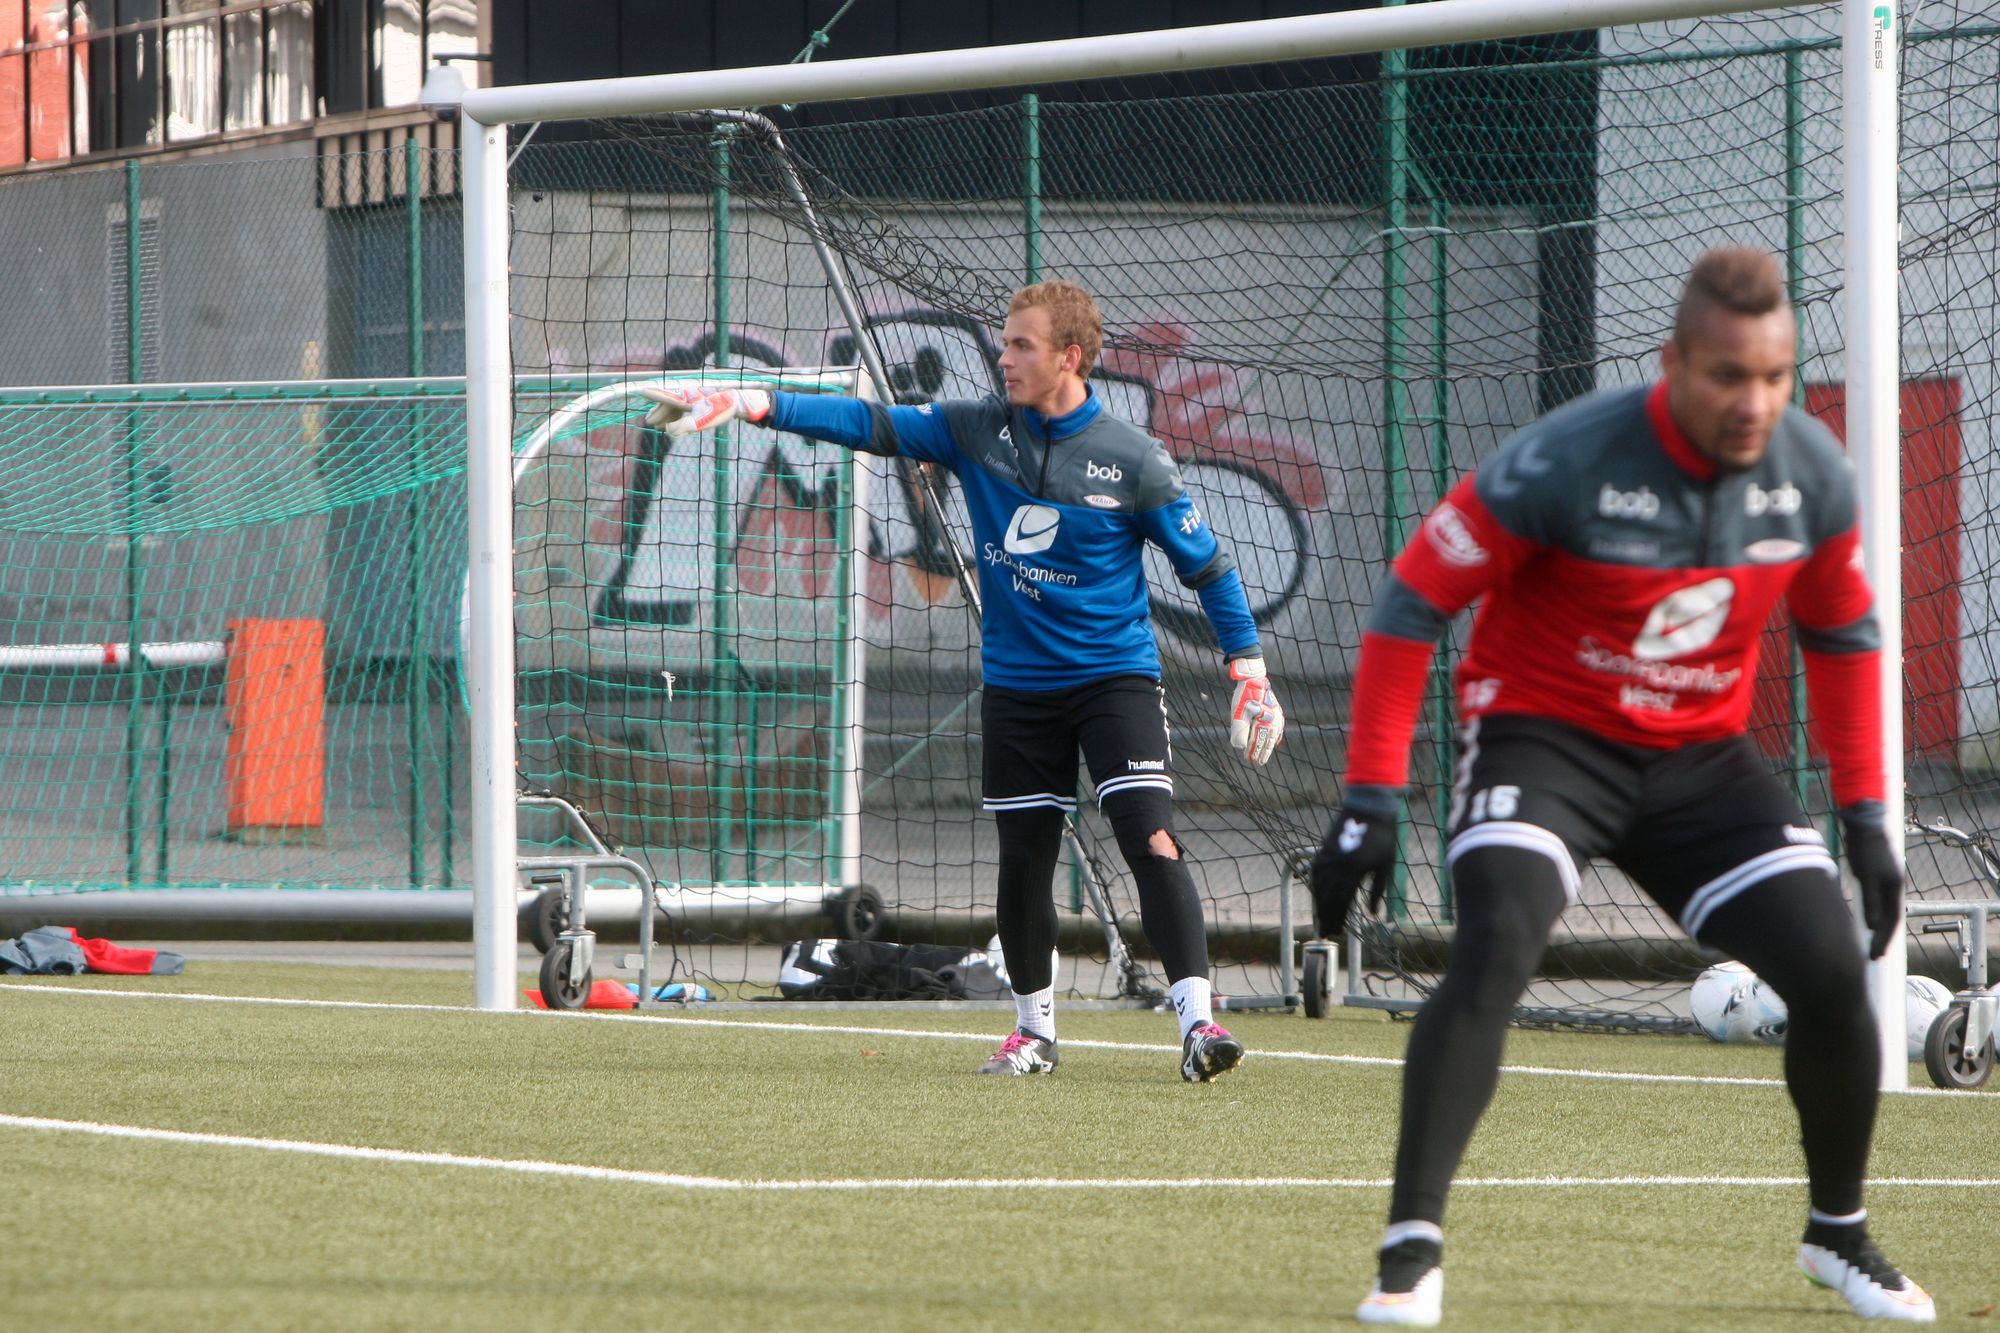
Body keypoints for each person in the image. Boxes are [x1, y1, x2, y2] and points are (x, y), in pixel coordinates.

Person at [1311, 247, 1933, 1324]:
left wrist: (1866, 814)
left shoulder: (1809, 473)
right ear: (1671, 364)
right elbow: (1411, 602)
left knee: (1832, 968)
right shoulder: (1566, 457)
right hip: (1541, 739)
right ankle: (1409, 1247)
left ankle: (1836, 1236)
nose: (1752, 402)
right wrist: (1369, 797)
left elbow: (1838, 632)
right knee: (1498, 937)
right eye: (1725, 375)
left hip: (1696, 761)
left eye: (1773, 377)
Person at [641, 279, 1284, 1083]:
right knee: (1024, 859)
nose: (1004, 359)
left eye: (1021, 346)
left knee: (1149, 836)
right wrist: (753, 401)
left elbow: (1212, 572)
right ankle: (1034, 1034)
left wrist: (1249, 674)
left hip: (1114, 679)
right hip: (1020, 689)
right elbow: (870, 424)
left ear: (1068, 358)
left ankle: (1198, 1024)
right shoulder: (978, 431)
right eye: (1004, 343)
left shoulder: (1133, 459)